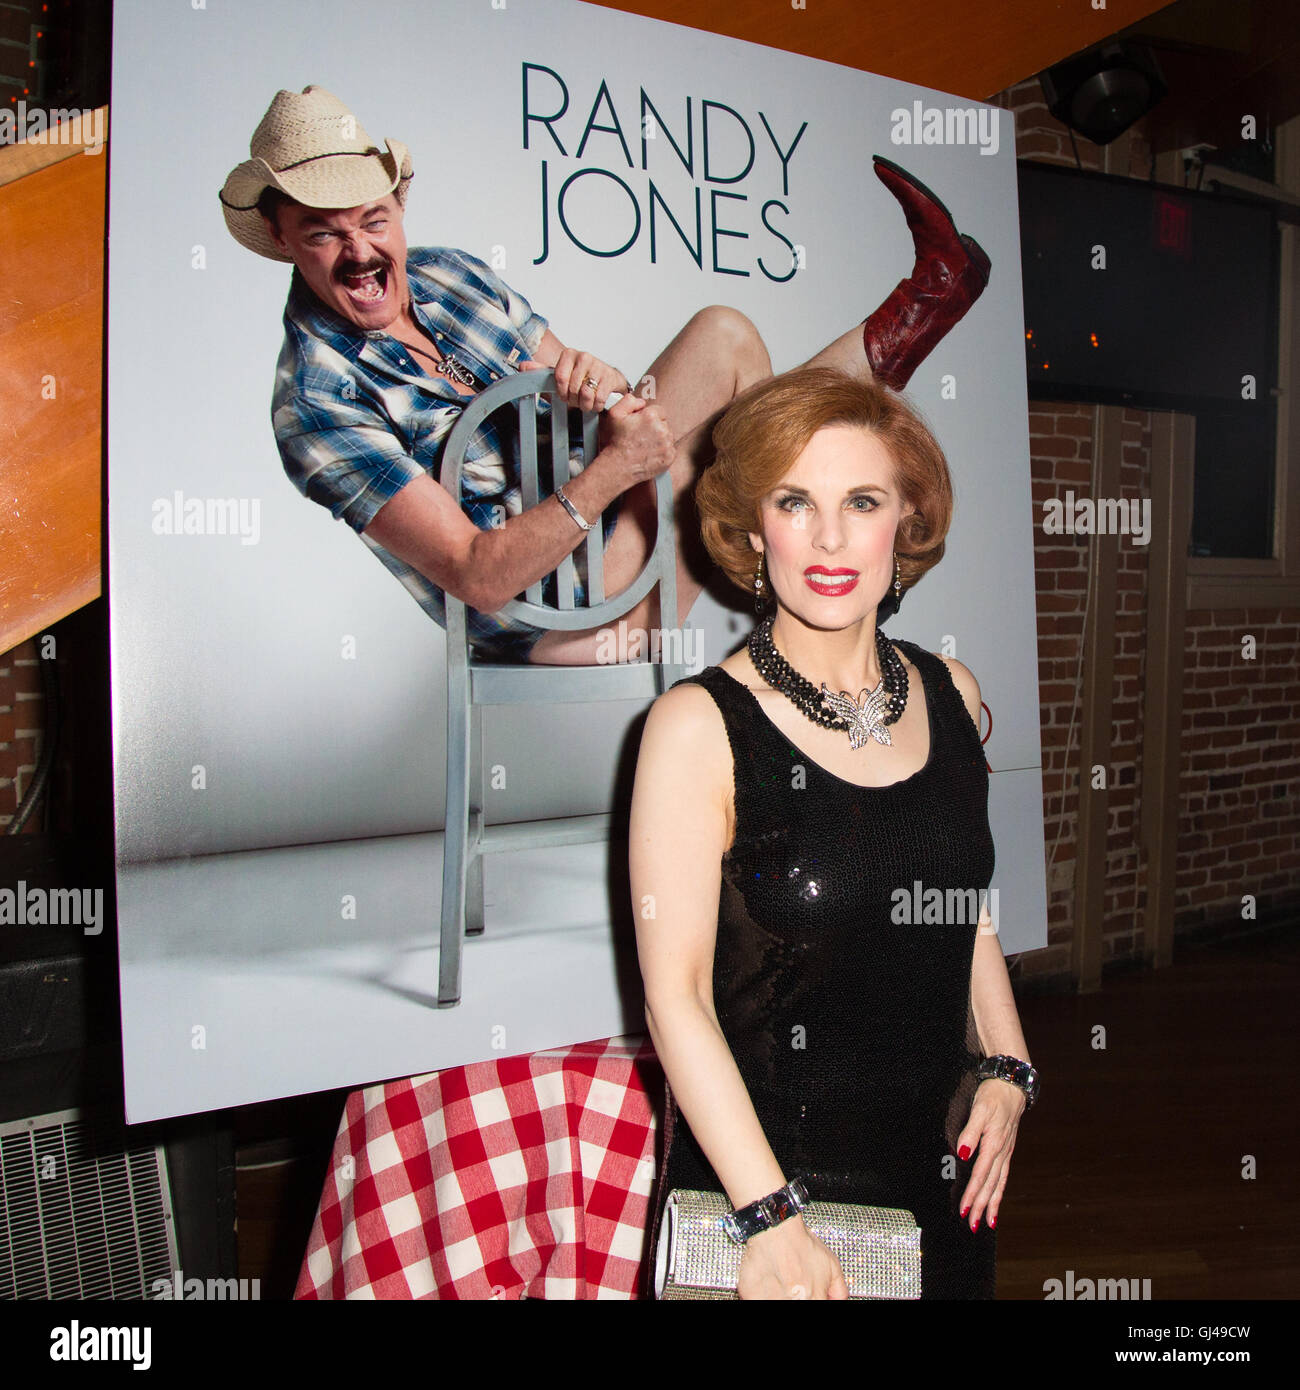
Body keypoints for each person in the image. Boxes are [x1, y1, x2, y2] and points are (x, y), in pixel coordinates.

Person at [219, 86, 991, 665]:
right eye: (324, 233)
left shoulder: (451, 276)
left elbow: (608, 400)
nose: (359, 252)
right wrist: (613, 469)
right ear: (284, 239)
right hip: (562, 616)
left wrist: (597, 380)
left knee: (724, 337)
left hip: (614, 519)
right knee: (735, 458)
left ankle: (914, 320)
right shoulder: (317, 400)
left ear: (399, 207)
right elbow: (478, 578)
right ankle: (906, 332)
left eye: (373, 221)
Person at [629, 367, 1036, 1300]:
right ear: (751, 526)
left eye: (861, 500)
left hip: (938, 1185)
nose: (828, 537)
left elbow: (958, 910)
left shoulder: (951, 694)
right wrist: (770, 1221)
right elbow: (675, 1001)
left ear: (906, 522)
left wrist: (1009, 1064)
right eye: (793, 500)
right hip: (766, 1206)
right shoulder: (698, 729)